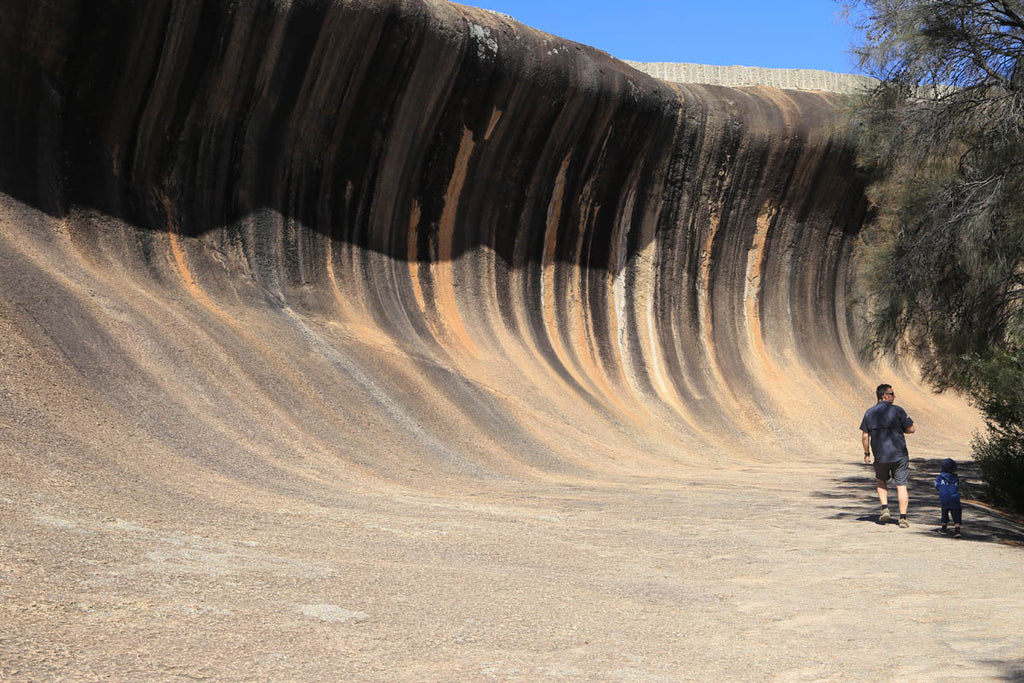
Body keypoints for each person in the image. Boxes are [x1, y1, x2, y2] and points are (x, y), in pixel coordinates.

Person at [860, 383, 916, 527]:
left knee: (881, 480)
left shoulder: (869, 413)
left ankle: (885, 508)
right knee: (901, 485)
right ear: (884, 396)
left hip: (880, 455)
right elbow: (911, 429)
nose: (894, 396)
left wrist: (867, 453)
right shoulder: (898, 411)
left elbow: (865, 436)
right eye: (891, 394)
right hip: (899, 454)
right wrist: (898, 429)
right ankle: (903, 518)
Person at [935, 458, 963, 537]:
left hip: (944, 498)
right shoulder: (955, 477)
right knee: (956, 513)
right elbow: (957, 486)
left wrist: (942, 490)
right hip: (954, 497)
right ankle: (957, 530)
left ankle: (944, 528)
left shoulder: (940, 477)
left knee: (945, 512)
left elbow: (937, 486)